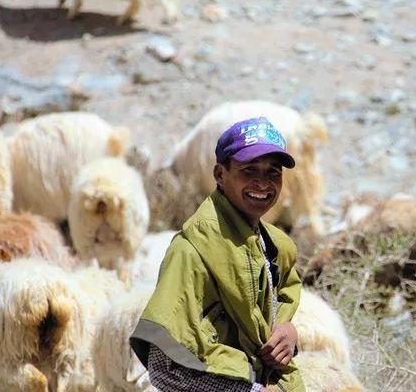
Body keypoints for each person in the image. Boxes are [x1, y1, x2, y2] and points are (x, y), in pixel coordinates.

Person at [130, 116, 305, 391]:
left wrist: (289, 333)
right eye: (249, 170)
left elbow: (269, 318)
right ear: (220, 175)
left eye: (273, 172)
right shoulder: (191, 252)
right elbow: (164, 368)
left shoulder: (274, 248)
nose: (263, 183)